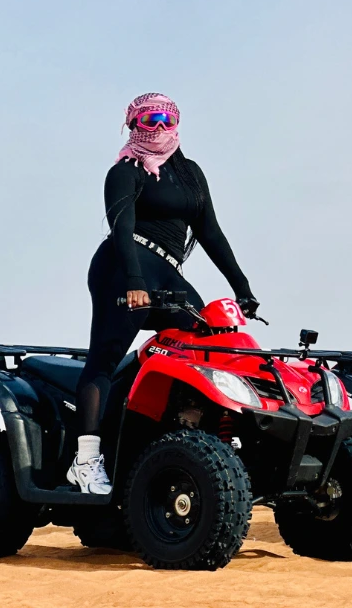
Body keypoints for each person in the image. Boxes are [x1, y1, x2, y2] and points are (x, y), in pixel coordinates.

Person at [73, 93, 257, 494]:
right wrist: (135, 282)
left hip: (168, 272)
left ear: (176, 123)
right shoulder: (126, 170)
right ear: (133, 123)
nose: (156, 127)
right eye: (147, 119)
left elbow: (210, 233)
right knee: (104, 356)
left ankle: (190, 435)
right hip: (124, 266)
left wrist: (241, 288)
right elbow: (121, 228)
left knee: (211, 340)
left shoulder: (190, 173)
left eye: (165, 119)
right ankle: (85, 458)